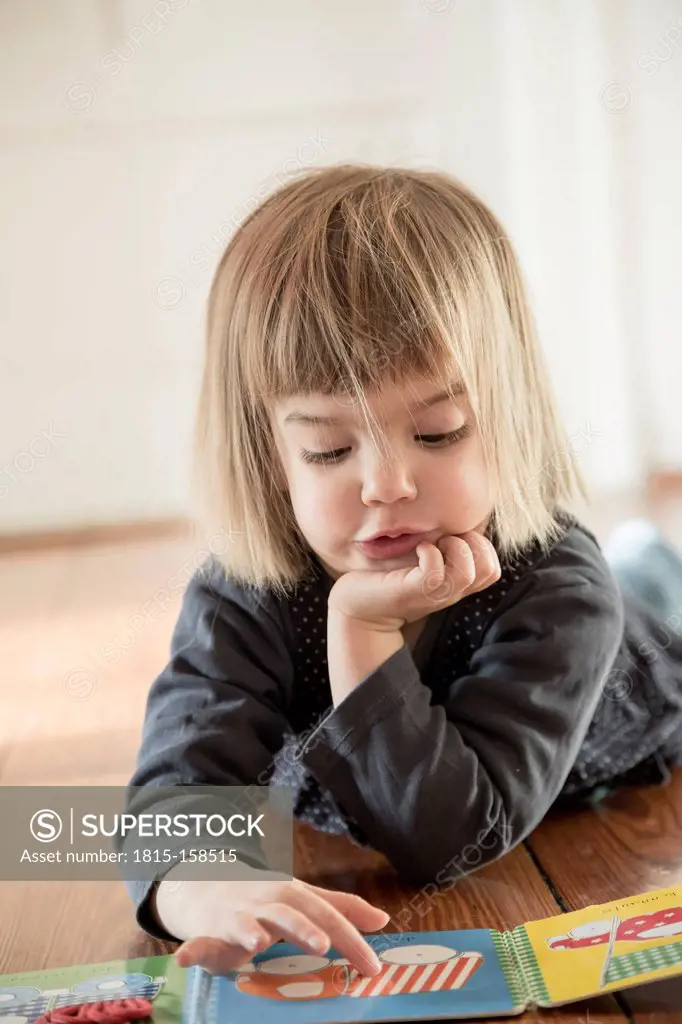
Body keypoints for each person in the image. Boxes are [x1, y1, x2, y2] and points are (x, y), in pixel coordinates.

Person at [124, 164, 682, 980]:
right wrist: (202, 888)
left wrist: (362, 628)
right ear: (270, 456)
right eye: (329, 449)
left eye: (439, 431)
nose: (387, 485)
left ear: (508, 417)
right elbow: (168, 794)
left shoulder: (560, 590)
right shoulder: (246, 593)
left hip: (639, 656)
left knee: (645, 577)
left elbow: (448, 841)